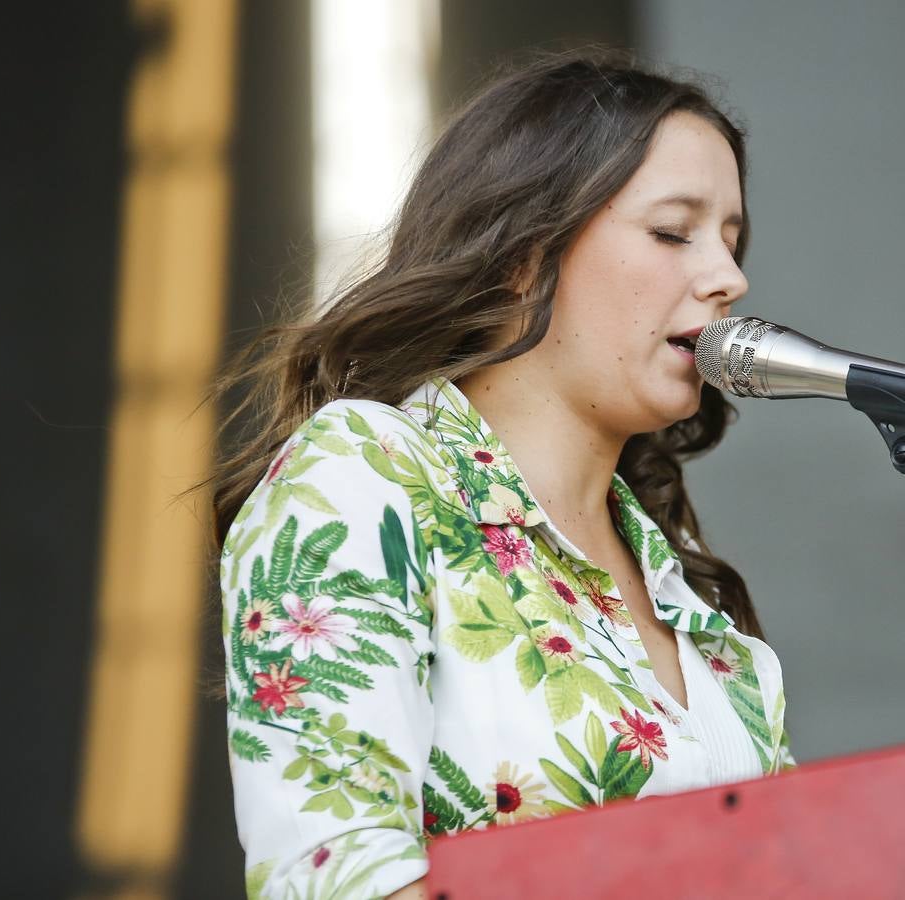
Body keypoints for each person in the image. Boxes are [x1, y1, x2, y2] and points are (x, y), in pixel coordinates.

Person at [211, 50, 795, 899]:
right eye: (674, 232)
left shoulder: (698, 610)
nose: (729, 278)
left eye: (732, 243)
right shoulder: (367, 478)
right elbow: (336, 874)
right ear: (524, 250)